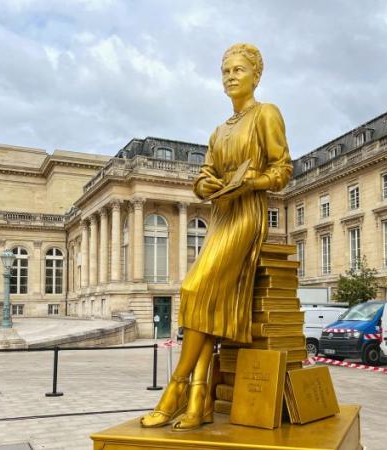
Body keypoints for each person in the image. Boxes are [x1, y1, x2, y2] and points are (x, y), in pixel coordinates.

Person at [140, 43, 292, 431]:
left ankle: (174, 388)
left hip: (247, 214)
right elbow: (204, 176)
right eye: (225, 71)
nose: (230, 76)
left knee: (193, 289)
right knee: (206, 309)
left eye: (238, 70)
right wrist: (205, 185)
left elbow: (282, 169)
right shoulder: (218, 131)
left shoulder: (266, 114)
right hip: (221, 214)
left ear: (256, 75)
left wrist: (254, 181)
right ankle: (198, 401)